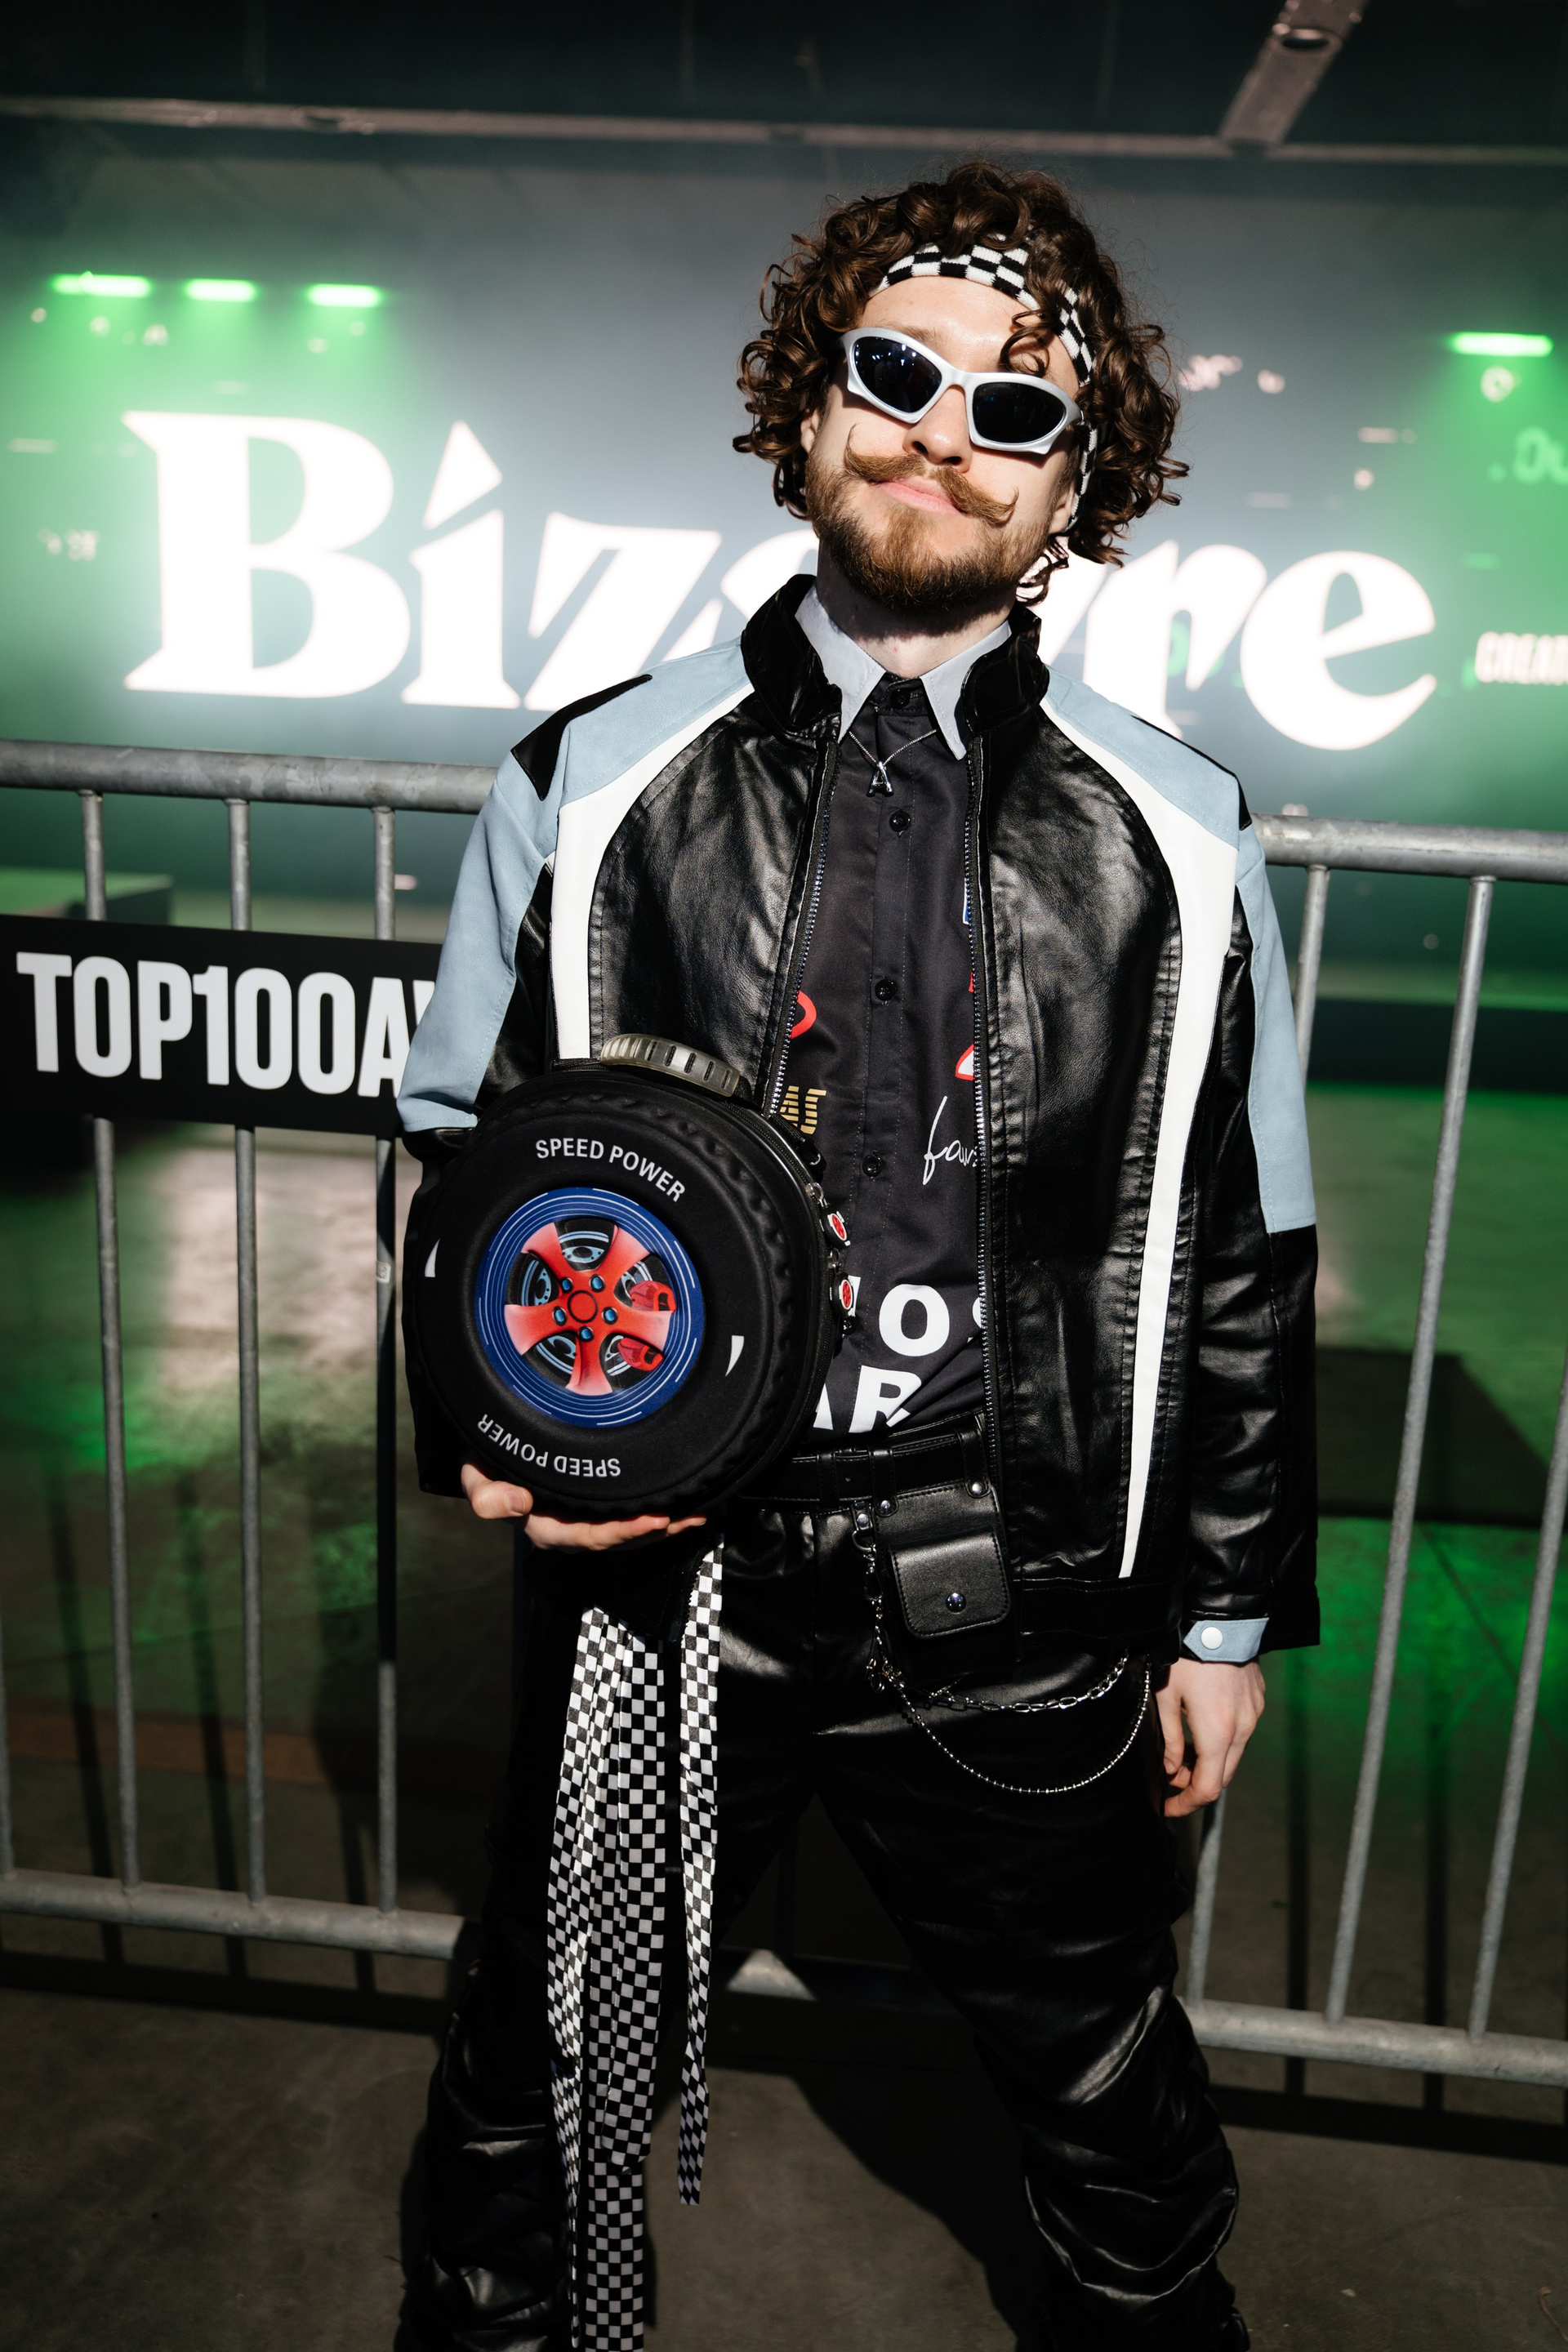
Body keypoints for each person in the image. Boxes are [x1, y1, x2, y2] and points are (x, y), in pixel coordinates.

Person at [394, 158, 1316, 2352]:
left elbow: (1241, 1239)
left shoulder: (1186, 830)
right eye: (897, 373)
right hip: (661, 1593)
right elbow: (460, 1165)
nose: (942, 435)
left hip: (1022, 1595)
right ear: (810, 407)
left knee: (1120, 2146)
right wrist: (498, 1427)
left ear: (1079, 484)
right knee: (526, 2118)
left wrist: (1224, 1614)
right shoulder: (585, 783)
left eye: (1019, 407)